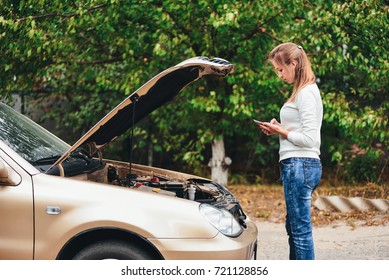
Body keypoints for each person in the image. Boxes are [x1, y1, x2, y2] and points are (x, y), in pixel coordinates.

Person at [257, 42, 323, 260]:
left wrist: (282, 132)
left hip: (300, 165)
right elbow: (301, 131)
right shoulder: (302, 91)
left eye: (280, 69)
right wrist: (280, 129)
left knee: (300, 232)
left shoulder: (306, 92)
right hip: (298, 164)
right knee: (294, 228)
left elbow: (309, 139)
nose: (279, 74)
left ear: (293, 63)